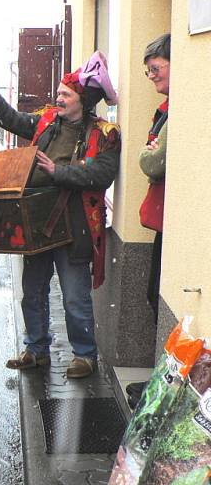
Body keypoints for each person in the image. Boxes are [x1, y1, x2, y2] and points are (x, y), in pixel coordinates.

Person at [0, 50, 121, 381]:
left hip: (76, 226)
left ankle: (84, 355)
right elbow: (13, 120)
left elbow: (101, 174)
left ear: (82, 99)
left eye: (65, 94)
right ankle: (36, 350)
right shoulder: (47, 121)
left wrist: (59, 171)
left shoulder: (105, 134)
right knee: (33, 290)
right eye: (59, 93)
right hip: (36, 223)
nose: (58, 98)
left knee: (74, 297)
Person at [127, 33, 170, 408]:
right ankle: (159, 386)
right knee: (152, 297)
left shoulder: (179, 109)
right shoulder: (169, 107)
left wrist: (148, 153)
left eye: (155, 69)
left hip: (171, 227)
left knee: (158, 300)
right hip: (165, 223)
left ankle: (161, 394)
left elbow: (154, 161)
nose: (151, 76)